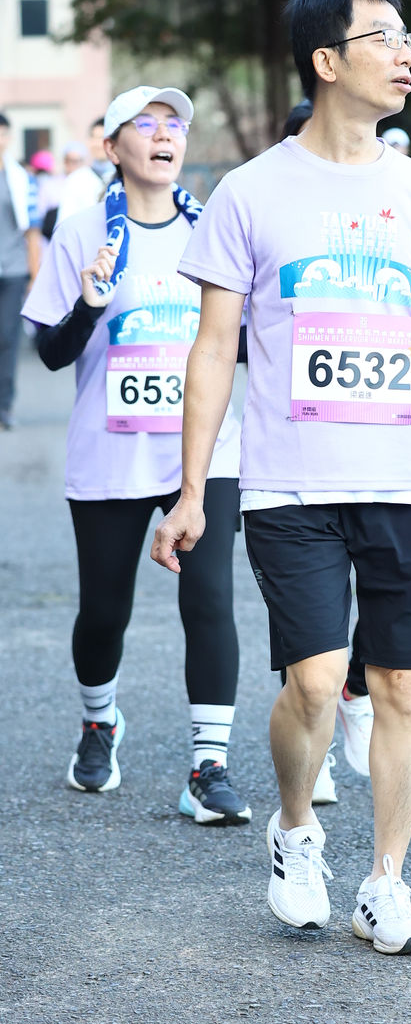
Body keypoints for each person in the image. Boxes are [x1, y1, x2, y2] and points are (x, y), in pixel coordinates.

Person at [151, 0, 411, 955]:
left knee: (400, 685)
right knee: (317, 680)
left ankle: (385, 881)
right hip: (289, 483)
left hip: (406, 479)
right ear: (326, 61)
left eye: (408, 37)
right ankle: (295, 830)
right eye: (384, 37)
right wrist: (193, 488)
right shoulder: (251, 193)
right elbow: (212, 348)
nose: (406, 53)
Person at [21, 85, 251, 825]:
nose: (163, 135)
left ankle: (208, 766)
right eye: (144, 124)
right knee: (103, 611)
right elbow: (50, 354)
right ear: (112, 146)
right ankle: (99, 722)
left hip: (203, 453)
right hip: (110, 451)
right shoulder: (81, 231)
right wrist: (90, 304)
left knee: (209, 600)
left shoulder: (214, 230)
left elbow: (245, 343)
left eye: (173, 124)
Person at [275, 99, 411, 809]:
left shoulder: (409, 202)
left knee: (386, 652)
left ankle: (355, 693)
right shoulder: (273, 204)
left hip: (394, 456)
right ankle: (318, 737)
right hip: (305, 464)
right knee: (310, 661)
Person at [0, 113, 39, 429]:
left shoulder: (21, 179)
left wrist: (35, 275)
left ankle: (4, 405)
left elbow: (32, 232)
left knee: (6, 337)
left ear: (9, 137)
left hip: (12, 270)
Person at [56, 139, 105, 227]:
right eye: (70, 161)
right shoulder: (93, 178)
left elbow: (63, 219)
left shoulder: (75, 179)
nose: (72, 165)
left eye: (76, 161)